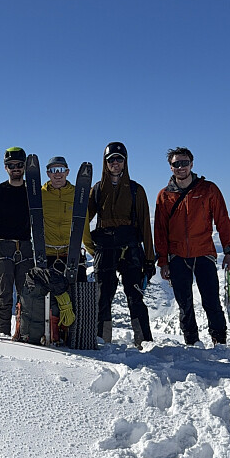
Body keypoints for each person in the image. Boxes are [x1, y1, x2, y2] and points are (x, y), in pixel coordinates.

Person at [154, 146, 230, 345]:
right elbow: (160, 231)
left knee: (212, 302)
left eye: (184, 163)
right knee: (185, 305)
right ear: (170, 167)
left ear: (192, 164)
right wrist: (163, 261)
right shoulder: (164, 196)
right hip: (177, 256)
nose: (181, 167)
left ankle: (220, 343)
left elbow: (222, 220)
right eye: (176, 164)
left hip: (204, 254)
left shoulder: (208, 189)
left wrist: (229, 250)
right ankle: (192, 344)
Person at [88, 142, 155, 346]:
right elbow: (83, 219)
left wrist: (150, 259)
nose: (115, 163)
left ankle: (144, 341)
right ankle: (101, 340)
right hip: (105, 248)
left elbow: (145, 224)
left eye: (119, 159)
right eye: (111, 159)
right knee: (102, 297)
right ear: (105, 163)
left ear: (125, 162)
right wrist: (89, 246)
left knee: (135, 296)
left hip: (130, 249)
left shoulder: (136, 190)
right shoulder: (98, 189)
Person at [0, 147, 33, 336]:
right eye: (11, 165)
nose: (15, 168)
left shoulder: (33, 193)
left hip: (26, 247)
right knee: (4, 296)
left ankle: (23, 334)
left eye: (19, 165)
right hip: (3, 247)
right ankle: (2, 335)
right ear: (5, 168)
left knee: (26, 296)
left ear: (24, 167)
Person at [42, 156, 93, 275]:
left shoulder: (77, 194)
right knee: (54, 292)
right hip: (48, 254)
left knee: (80, 291)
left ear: (67, 172)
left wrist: (92, 250)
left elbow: (84, 224)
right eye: (54, 170)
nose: (58, 174)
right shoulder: (40, 194)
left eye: (61, 169)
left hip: (72, 253)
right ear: (48, 174)